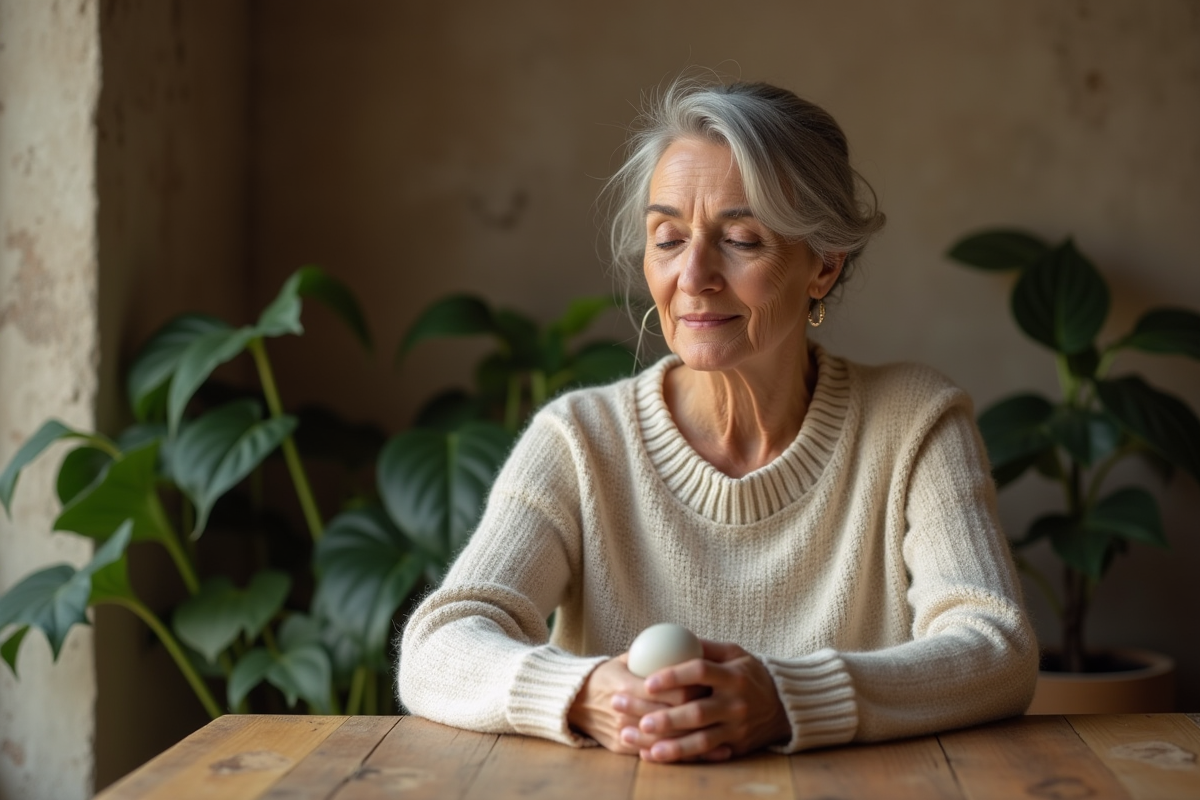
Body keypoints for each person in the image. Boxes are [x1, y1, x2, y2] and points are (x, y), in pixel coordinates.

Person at [397, 77, 1038, 763]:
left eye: (740, 238)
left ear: (823, 264)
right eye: (668, 238)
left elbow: (994, 647)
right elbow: (440, 644)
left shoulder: (915, 424)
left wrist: (787, 699)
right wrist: (587, 692)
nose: (694, 274)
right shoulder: (581, 440)